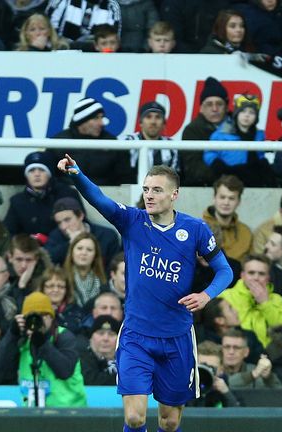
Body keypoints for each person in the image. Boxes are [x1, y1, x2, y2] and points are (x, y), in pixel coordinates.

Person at [57, 155, 233, 432]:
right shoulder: (132, 221)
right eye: (146, 189)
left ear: (174, 195)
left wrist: (206, 295)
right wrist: (77, 174)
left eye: (157, 190)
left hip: (177, 336)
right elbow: (99, 199)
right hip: (137, 335)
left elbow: (225, 271)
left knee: (170, 422)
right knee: (135, 417)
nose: (149, 196)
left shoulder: (195, 229)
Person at [0, 291, 87, 407]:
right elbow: (0, 367)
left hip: (68, 413)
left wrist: (43, 343)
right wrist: (12, 334)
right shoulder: (22, 341)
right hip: (33, 414)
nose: (36, 321)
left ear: (51, 316)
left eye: (42, 315)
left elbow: (65, 371)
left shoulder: (63, 337)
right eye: (31, 317)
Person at [4, 150, 82, 238]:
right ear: (26, 175)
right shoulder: (17, 201)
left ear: (50, 173)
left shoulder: (67, 193)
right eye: (32, 170)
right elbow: (9, 232)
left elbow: (81, 225)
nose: (37, 174)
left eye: (41, 170)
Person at [51, 98, 128, 186]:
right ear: (82, 121)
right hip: (68, 195)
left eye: (102, 117)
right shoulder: (59, 142)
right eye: (96, 118)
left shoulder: (112, 143)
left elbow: (125, 177)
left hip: (105, 195)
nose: (102, 123)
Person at [204, 94, 276, 187]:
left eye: (251, 112)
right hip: (228, 179)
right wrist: (217, 164)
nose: (247, 115)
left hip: (252, 181)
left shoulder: (259, 135)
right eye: (243, 111)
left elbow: (260, 155)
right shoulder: (221, 133)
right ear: (236, 113)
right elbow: (209, 153)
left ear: (256, 117)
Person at [218, 254, 282, 347]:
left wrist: (265, 303)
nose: (256, 278)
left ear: (268, 278)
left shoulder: (277, 300)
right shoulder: (225, 296)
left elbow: (281, 330)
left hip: (267, 354)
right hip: (234, 349)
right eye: (251, 273)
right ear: (242, 275)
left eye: (261, 274)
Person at [181, 77, 233, 186]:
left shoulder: (238, 126)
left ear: (226, 107)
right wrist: (224, 178)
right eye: (209, 104)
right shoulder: (192, 130)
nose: (214, 109)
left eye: (219, 104)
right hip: (203, 186)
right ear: (201, 108)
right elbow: (193, 167)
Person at [45, 197, 121, 268]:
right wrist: (70, 244)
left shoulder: (107, 235)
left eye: (67, 220)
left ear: (80, 216)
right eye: (59, 223)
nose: (63, 227)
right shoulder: (56, 236)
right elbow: (48, 259)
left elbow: (114, 266)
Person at [125, 101, 181, 181]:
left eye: (158, 117)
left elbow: (173, 179)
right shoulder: (127, 142)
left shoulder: (172, 148)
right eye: (148, 117)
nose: (153, 122)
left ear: (164, 123)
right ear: (140, 122)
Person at [202, 175, 252, 261]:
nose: (226, 202)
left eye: (231, 198)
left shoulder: (246, 232)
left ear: (239, 201)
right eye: (222, 197)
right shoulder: (199, 229)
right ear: (214, 198)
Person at [189, 341, 242, 408]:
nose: (207, 370)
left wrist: (226, 393)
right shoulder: (187, 386)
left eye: (211, 368)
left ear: (221, 370)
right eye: (203, 366)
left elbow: (239, 415)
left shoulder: (230, 389)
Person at [63, 232, 108, 309]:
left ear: (95, 256)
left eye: (89, 250)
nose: (84, 253)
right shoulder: (62, 278)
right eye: (79, 248)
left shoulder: (103, 283)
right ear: (72, 252)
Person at [46, 0, 121, 44]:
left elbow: (113, 40)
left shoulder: (111, 6)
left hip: (96, 56)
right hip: (61, 52)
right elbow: (47, 27)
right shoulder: (62, 1)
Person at [79, 315, 120, 385]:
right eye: (101, 333)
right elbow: (90, 381)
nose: (106, 339)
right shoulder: (81, 359)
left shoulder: (127, 361)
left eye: (111, 334)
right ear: (91, 338)